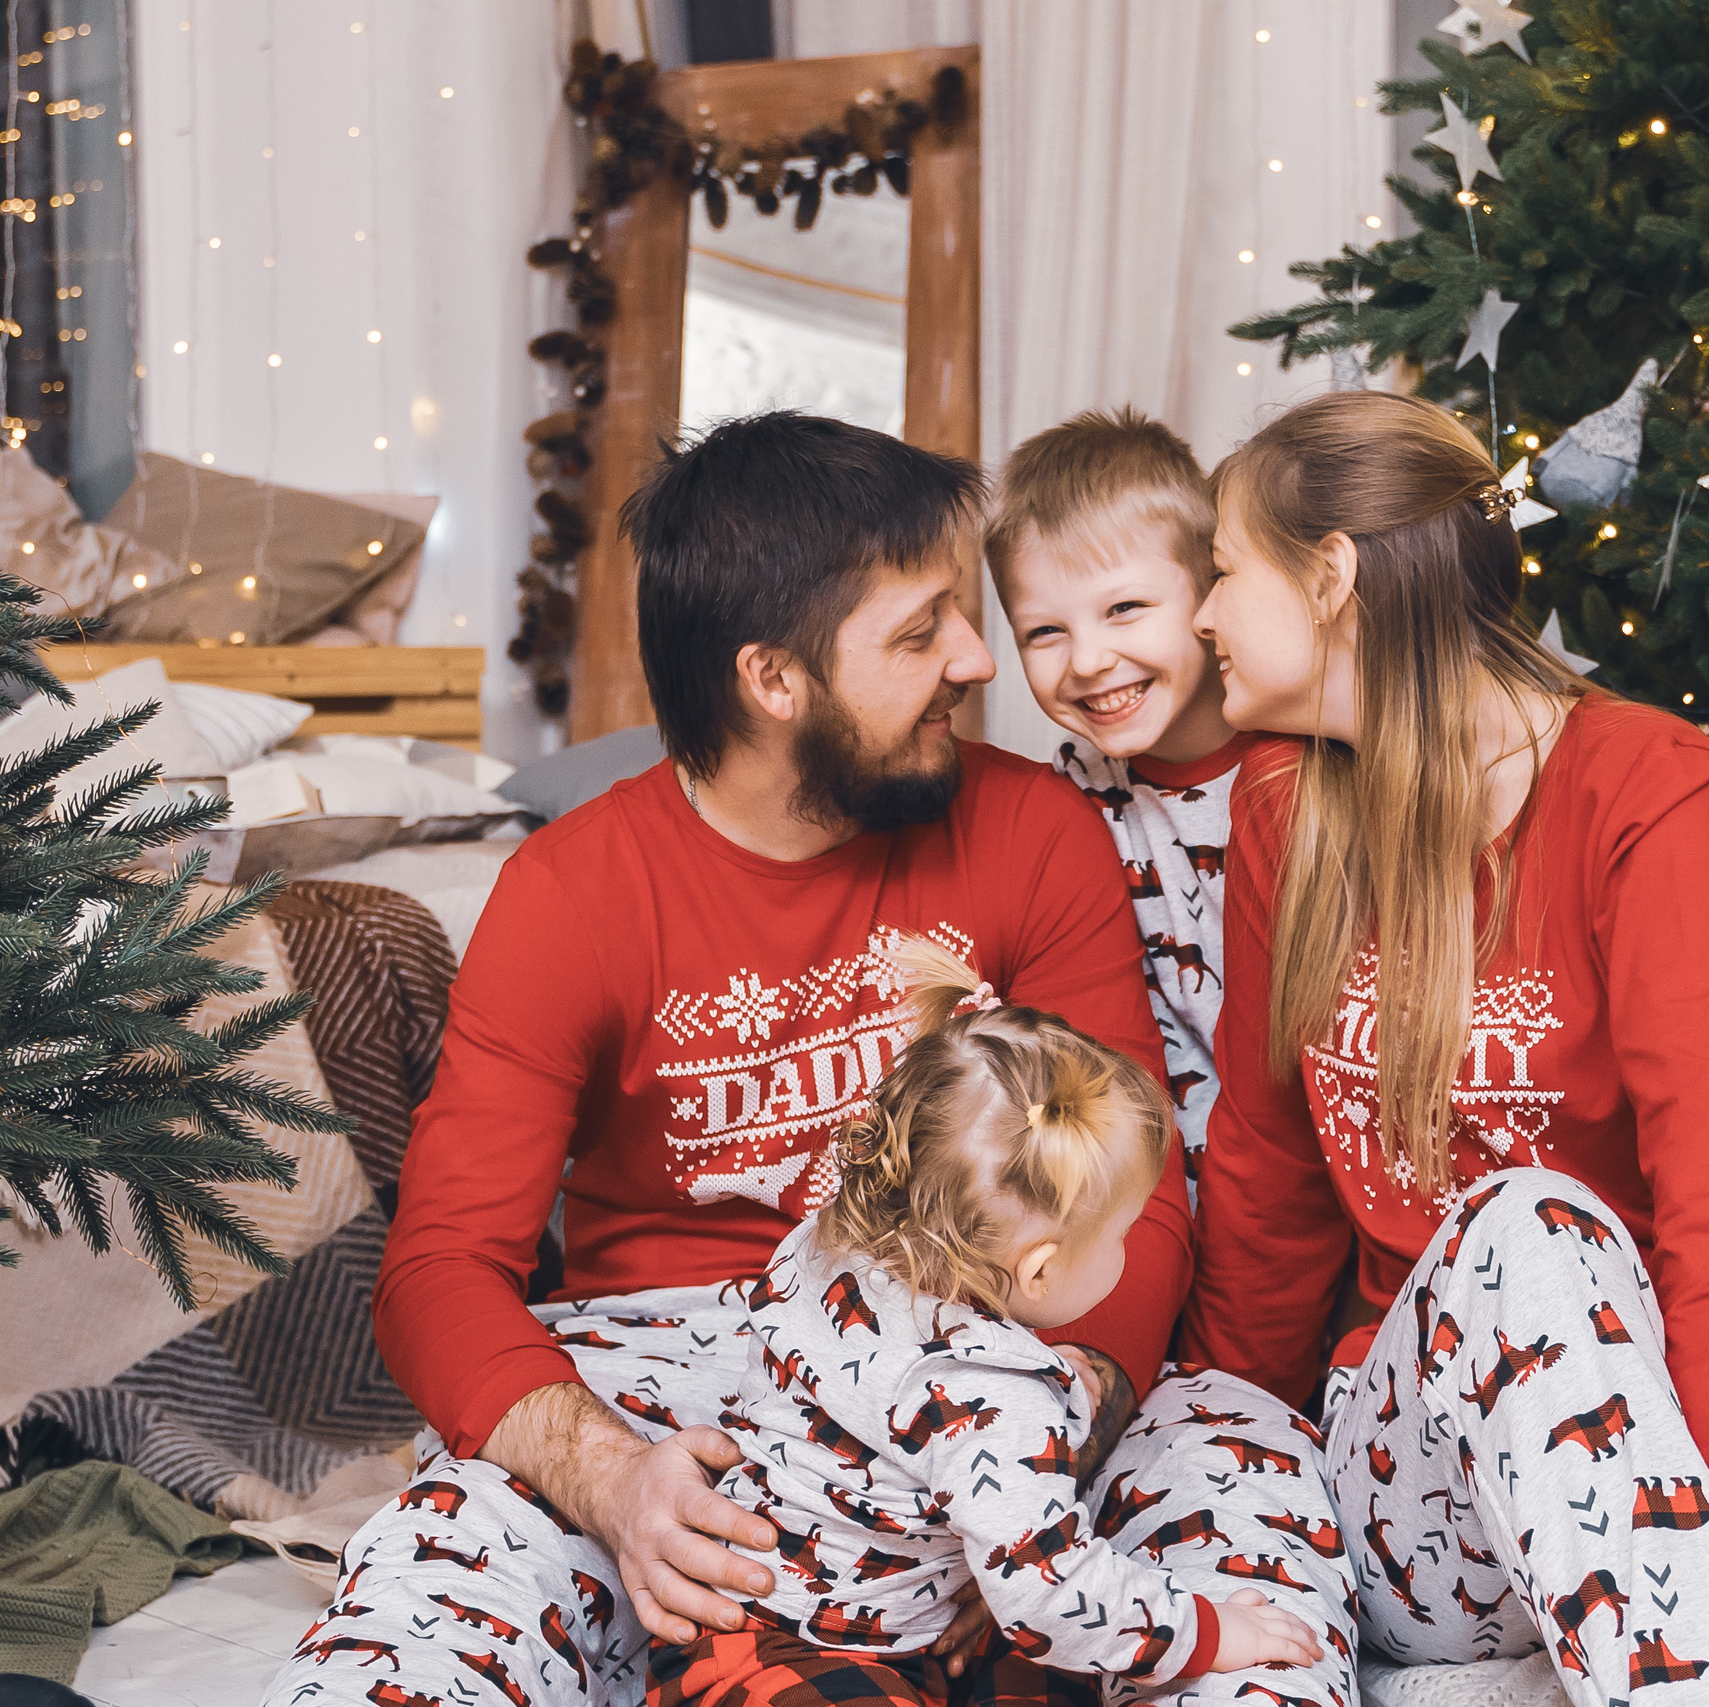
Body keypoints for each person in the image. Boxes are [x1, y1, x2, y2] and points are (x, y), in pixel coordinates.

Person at [264, 413, 1351, 1707]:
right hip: (680, 1378)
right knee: (438, 1579)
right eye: (917, 634)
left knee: (1249, 1464)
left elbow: (1140, 1189)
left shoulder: (1033, 828)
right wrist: (612, 1481)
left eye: (961, 615)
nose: (973, 659)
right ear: (773, 680)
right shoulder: (571, 890)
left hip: (1007, 1355)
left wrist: (1025, 1452)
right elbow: (441, 1270)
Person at [1179, 391, 1709, 1705]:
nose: (1199, 617)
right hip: (1452, 1506)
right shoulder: (1284, 803)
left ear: (1331, 576)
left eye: (1222, 572)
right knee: (1523, 1218)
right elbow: (1266, 1161)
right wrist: (1220, 1441)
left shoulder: (1644, 781)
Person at [653, 935, 1324, 1707]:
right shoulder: (993, 1395)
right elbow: (1052, 1590)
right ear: (1040, 1268)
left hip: (875, 1622)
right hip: (777, 1648)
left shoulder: (822, 1243)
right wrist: (1208, 1631)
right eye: (1121, 1235)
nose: (1129, 1251)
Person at [988, 409, 1295, 1203]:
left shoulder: (1303, 767)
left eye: (1124, 609)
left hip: (1307, 1177)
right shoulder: (1068, 808)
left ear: (1208, 595)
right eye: (1044, 631)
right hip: (1164, 1197)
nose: (1089, 660)